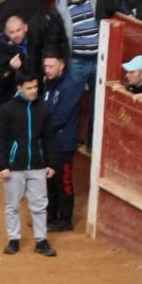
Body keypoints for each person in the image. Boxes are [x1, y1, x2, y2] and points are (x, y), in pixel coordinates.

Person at [0, 71, 57, 256]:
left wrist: (51, 163)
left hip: (37, 164)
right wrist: (3, 165)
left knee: (39, 204)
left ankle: (41, 240)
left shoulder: (43, 109)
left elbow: (48, 138)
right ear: (19, 88)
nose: (33, 91)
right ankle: (14, 239)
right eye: (29, 88)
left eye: (36, 87)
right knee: (12, 204)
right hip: (14, 166)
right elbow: (0, 139)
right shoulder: (6, 110)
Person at [40, 53, 86, 232]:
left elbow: (61, 116)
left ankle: (65, 219)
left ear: (62, 65)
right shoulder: (49, 83)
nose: (47, 70)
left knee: (63, 181)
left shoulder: (70, 87)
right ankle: (51, 214)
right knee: (49, 180)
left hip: (63, 143)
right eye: (46, 66)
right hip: (50, 142)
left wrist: (39, 127)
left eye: (51, 67)